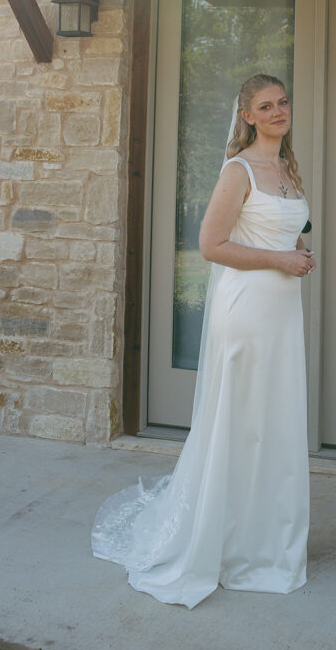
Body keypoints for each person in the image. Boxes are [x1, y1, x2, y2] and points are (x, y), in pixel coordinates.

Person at [92, 73, 315, 608]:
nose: (278, 111)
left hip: (281, 313)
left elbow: (280, 227)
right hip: (244, 313)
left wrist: (297, 246)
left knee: (274, 425)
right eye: (266, 106)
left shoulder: (287, 166)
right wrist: (282, 259)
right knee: (240, 426)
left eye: (283, 102)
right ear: (247, 116)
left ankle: (265, 540)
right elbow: (211, 245)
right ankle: (224, 542)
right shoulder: (238, 170)